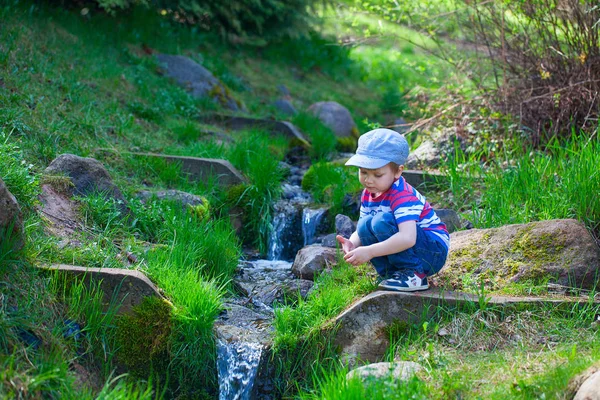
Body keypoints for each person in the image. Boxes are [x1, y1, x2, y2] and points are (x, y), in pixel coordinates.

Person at [336, 128, 449, 291]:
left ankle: (414, 274)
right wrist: (353, 244)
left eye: (377, 175)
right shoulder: (369, 193)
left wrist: (370, 251)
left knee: (382, 221)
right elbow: (362, 228)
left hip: (432, 252)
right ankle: (390, 274)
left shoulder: (402, 195)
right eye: (363, 172)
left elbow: (408, 238)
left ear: (397, 171)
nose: (368, 180)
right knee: (364, 225)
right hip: (413, 246)